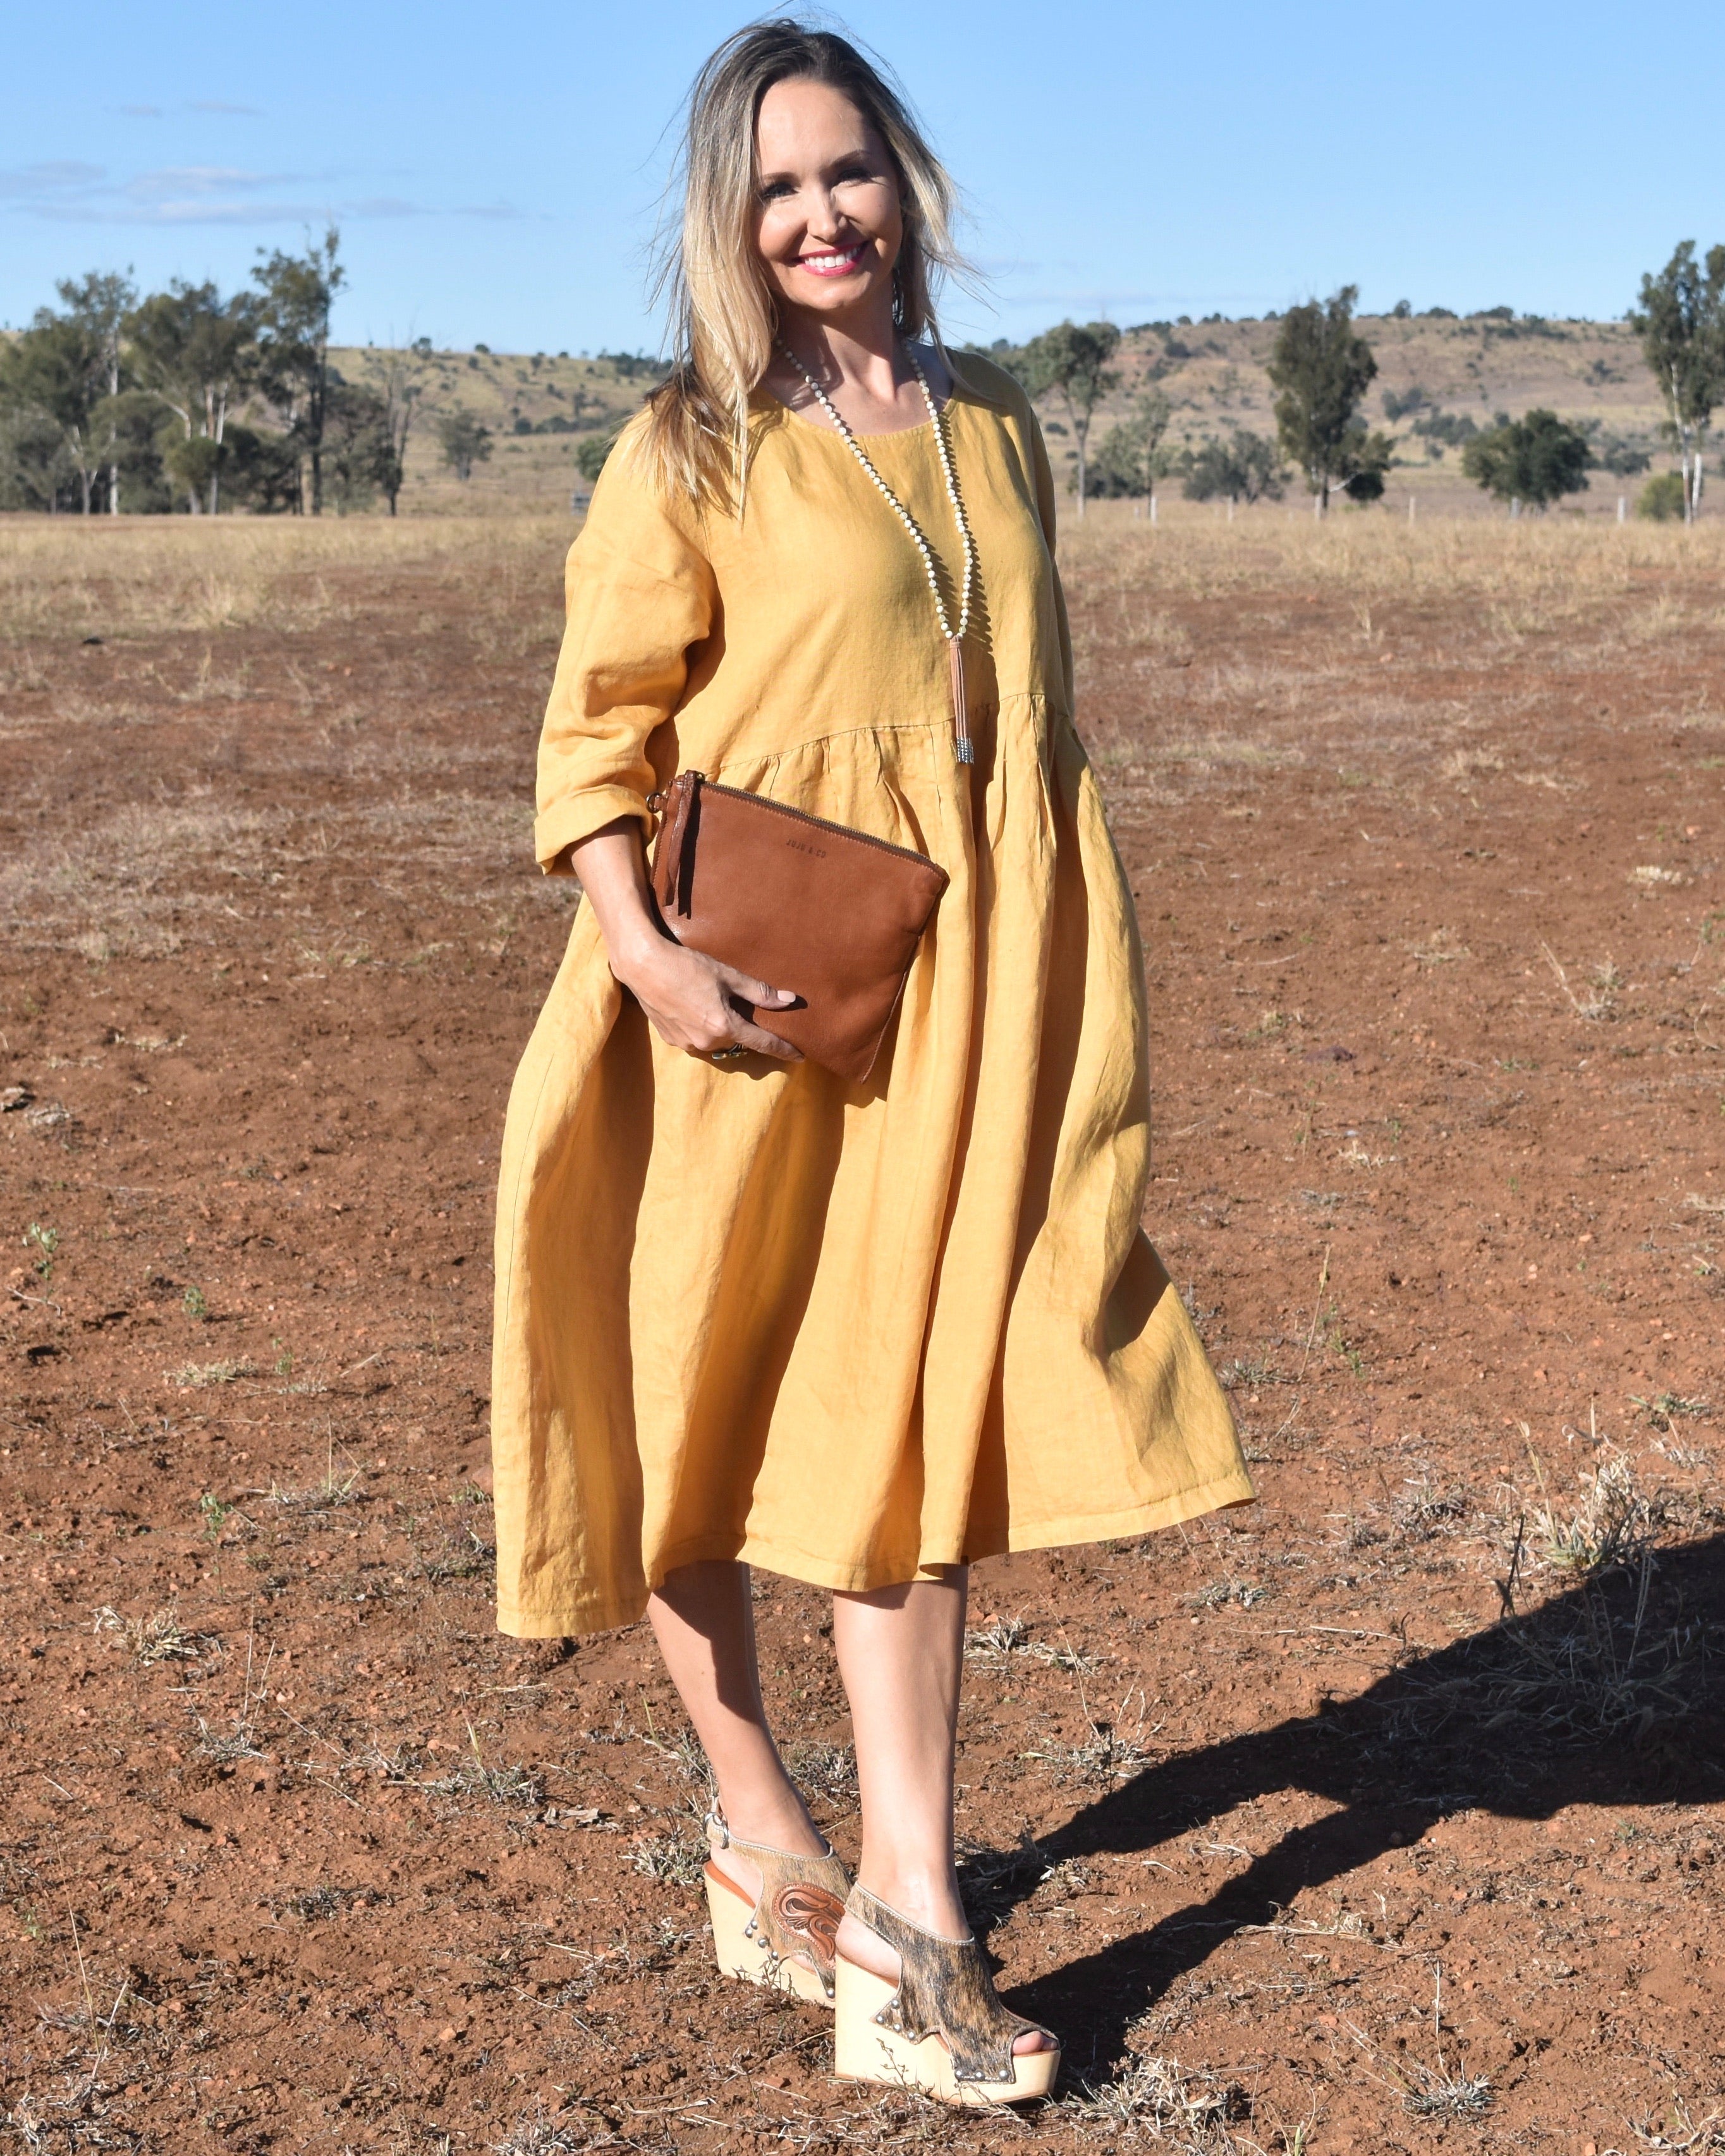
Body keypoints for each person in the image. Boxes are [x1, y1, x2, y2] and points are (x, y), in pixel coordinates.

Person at [491, 18, 1252, 2105]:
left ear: (903, 181)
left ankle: (901, 1918)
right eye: (776, 188)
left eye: (848, 172)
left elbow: (1021, 742)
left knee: (910, 1424)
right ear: (728, 225)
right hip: (740, 1005)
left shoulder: (995, 424)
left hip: (972, 989)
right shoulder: (687, 450)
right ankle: (759, 1825)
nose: (820, 215)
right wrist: (643, 959)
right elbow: (591, 741)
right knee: (701, 1413)